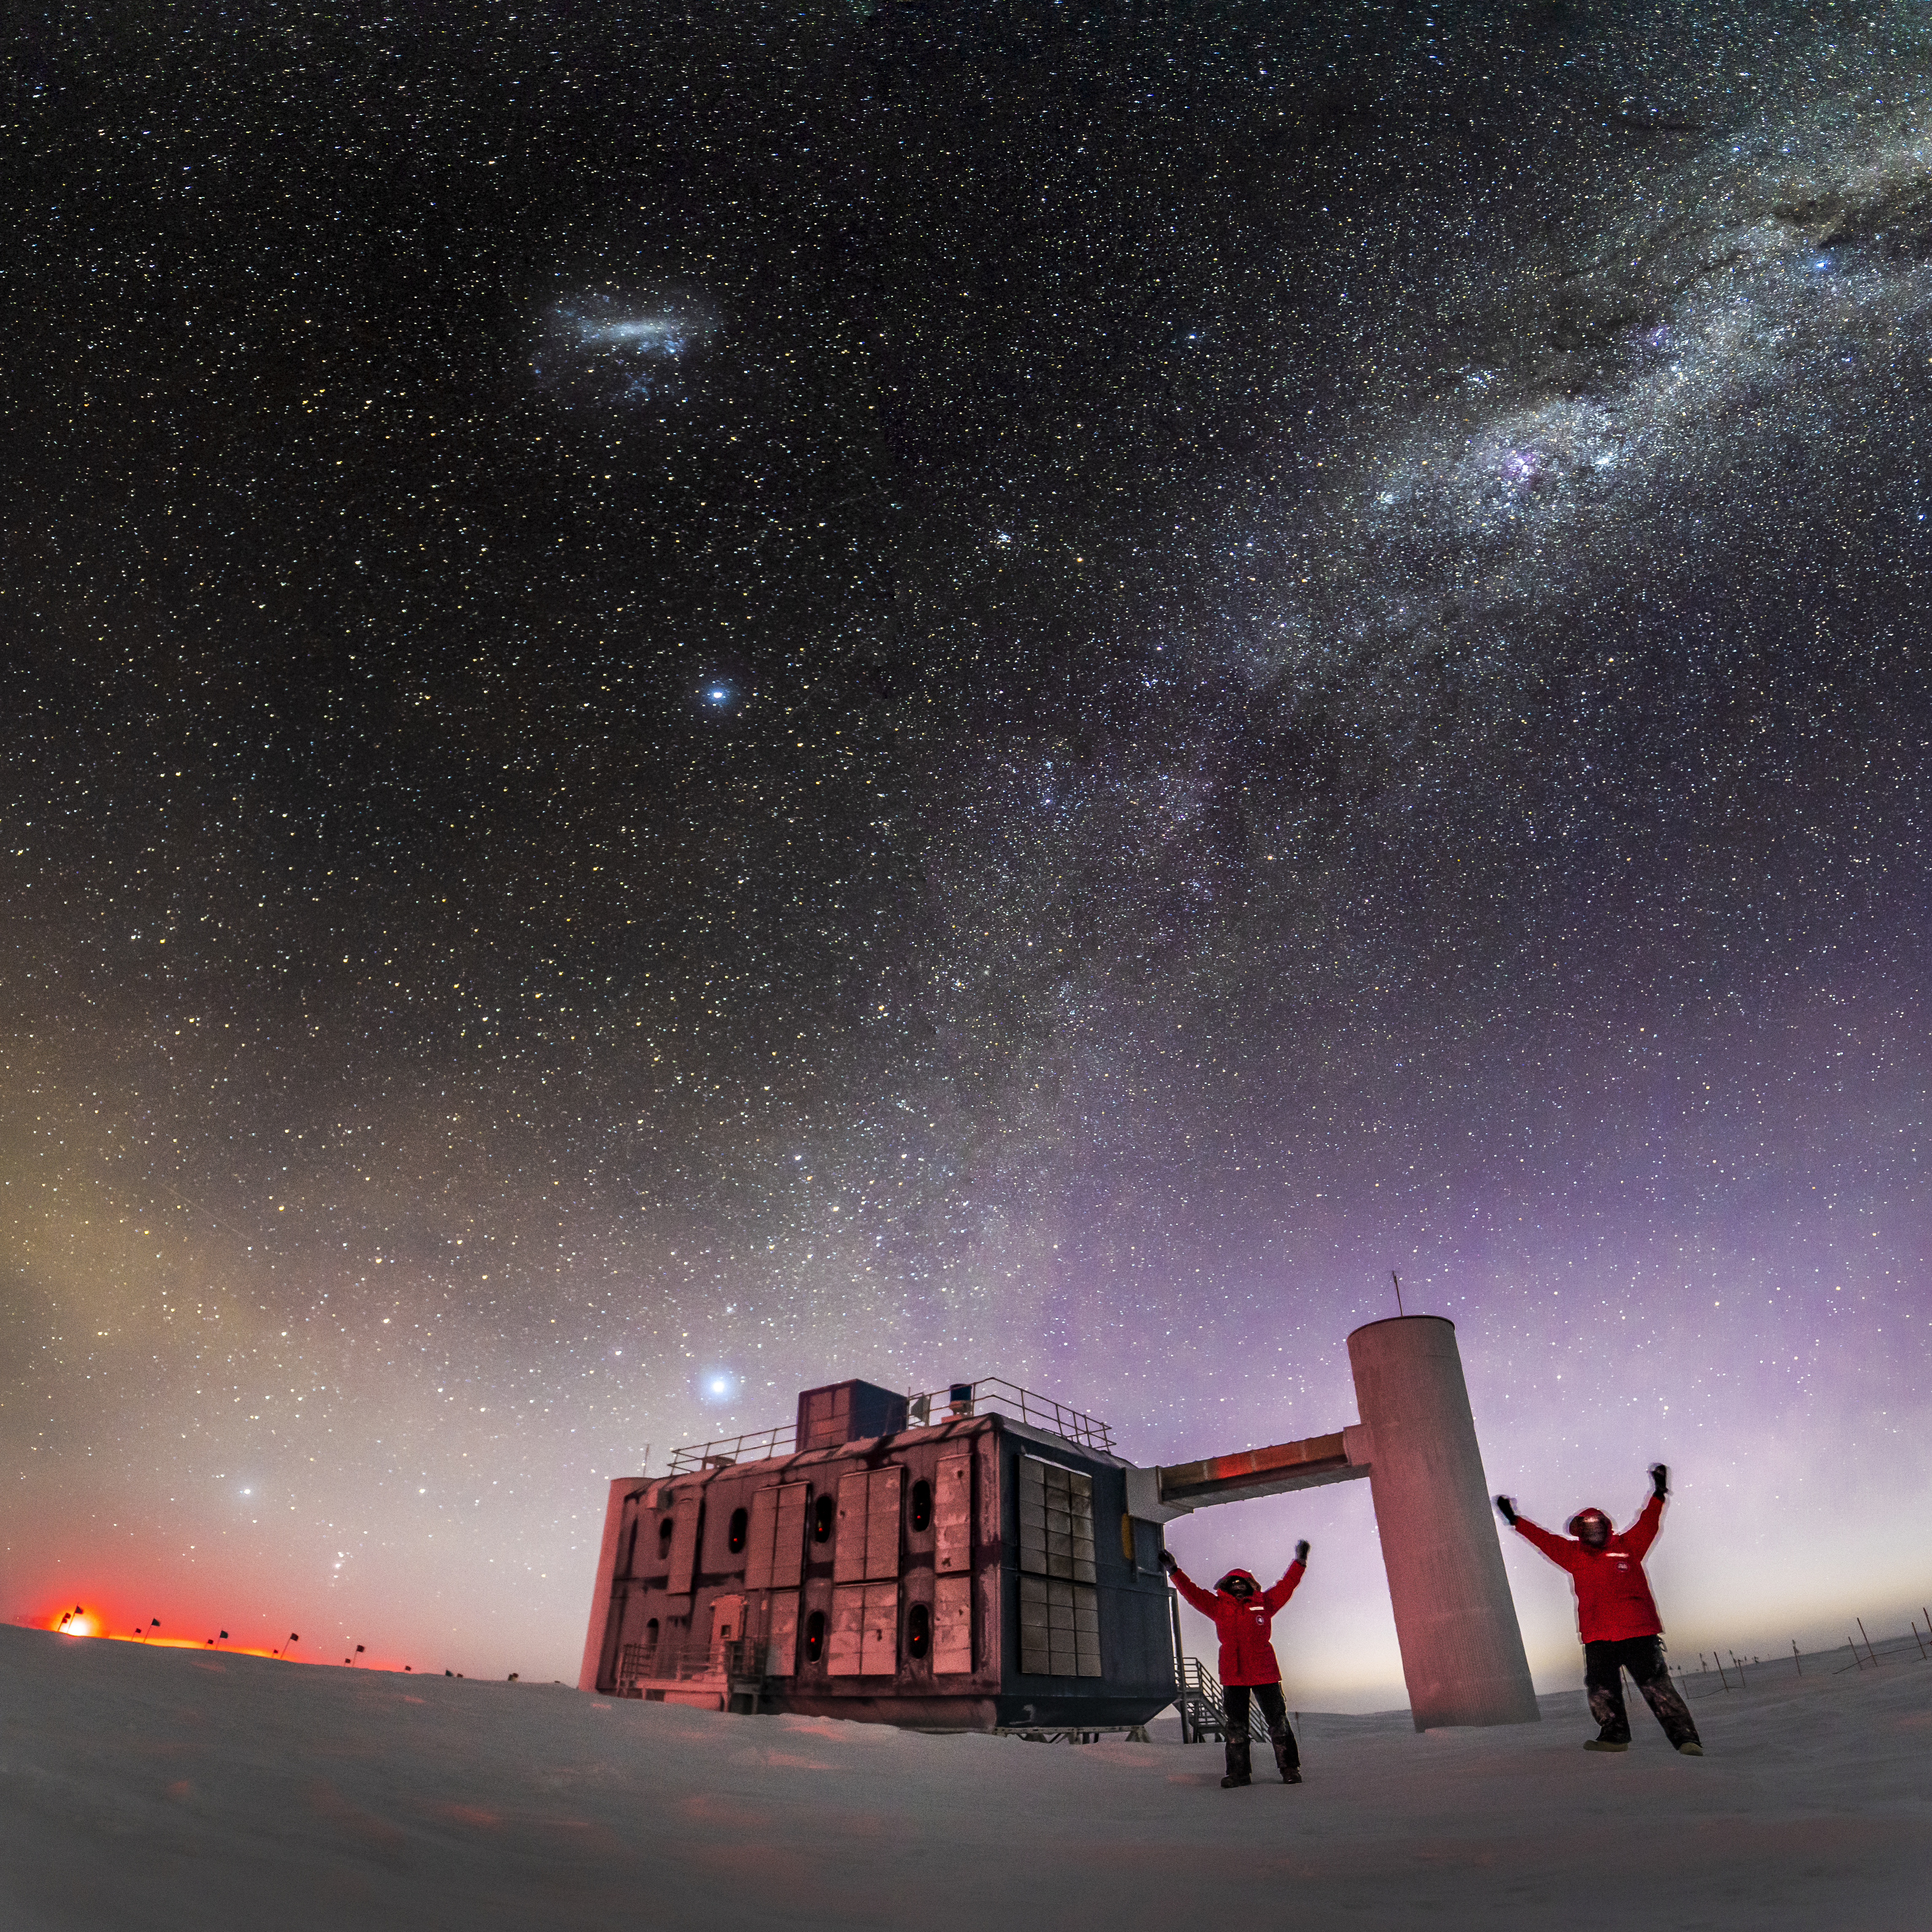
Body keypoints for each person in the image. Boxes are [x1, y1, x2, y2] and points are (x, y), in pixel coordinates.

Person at [1496, 1463, 1703, 1756]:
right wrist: (1515, 1520)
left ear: (1605, 1526)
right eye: (1587, 1526)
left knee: (1657, 1688)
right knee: (1600, 1690)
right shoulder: (1573, 1555)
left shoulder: (1629, 1545)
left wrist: (1658, 1493)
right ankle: (1614, 1736)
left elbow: (1648, 1522)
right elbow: (1544, 1540)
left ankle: (1686, 1740)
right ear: (1580, 1531)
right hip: (1598, 1637)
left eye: (1597, 1524)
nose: (1593, 1530)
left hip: (1638, 1633)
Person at [1159, 1540, 1308, 1786]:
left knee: (1278, 1722)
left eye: (1243, 1584)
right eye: (1234, 1585)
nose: (1238, 1588)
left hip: (1265, 1673)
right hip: (1233, 1674)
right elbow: (1192, 1593)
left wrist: (1299, 1563)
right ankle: (1239, 1774)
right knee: (1236, 1727)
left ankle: (1289, 1770)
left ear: (1251, 1587)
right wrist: (1174, 1571)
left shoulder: (1264, 1603)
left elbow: (1286, 1586)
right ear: (1226, 1588)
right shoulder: (1218, 1607)